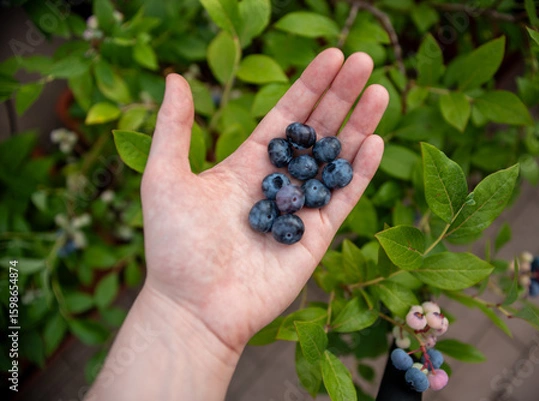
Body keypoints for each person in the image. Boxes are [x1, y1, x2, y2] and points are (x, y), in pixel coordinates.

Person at [85, 48, 389, 400]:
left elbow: (306, 178)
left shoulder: (299, 184)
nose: (295, 193)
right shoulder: (290, 190)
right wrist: (179, 309)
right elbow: (296, 184)